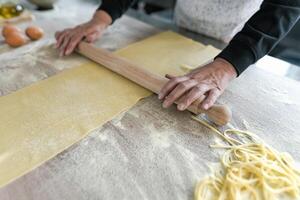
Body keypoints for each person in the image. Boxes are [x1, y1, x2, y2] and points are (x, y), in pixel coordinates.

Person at [55, 0, 300, 112]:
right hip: (180, 29)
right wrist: (102, 17)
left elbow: (285, 5)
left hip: (239, 39)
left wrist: (229, 64)